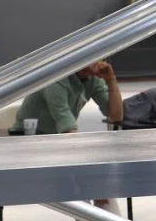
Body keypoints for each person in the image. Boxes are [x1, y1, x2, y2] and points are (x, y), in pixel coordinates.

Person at [14, 61, 124, 213]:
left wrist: (111, 79)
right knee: (86, 181)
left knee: (96, 182)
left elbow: (116, 116)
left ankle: (96, 209)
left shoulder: (92, 78)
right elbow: (67, 126)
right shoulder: (55, 79)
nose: (96, 61)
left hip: (60, 143)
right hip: (32, 145)